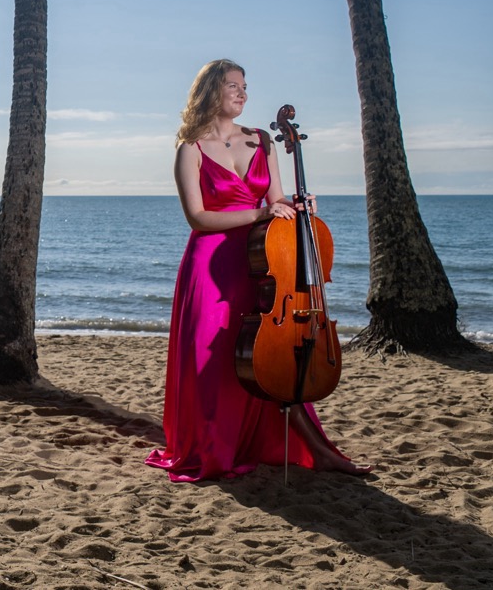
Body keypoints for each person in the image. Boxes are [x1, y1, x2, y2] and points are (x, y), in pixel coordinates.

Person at [144, 59, 369, 481]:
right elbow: (197, 218)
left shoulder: (263, 141)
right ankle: (213, 451)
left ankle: (315, 449)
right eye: (233, 85)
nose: (243, 93)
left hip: (263, 263)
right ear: (211, 90)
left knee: (269, 358)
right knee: (212, 362)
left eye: (245, 86)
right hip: (210, 267)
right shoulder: (189, 149)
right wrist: (261, 213)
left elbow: (277, 200)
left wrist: (297, 207)